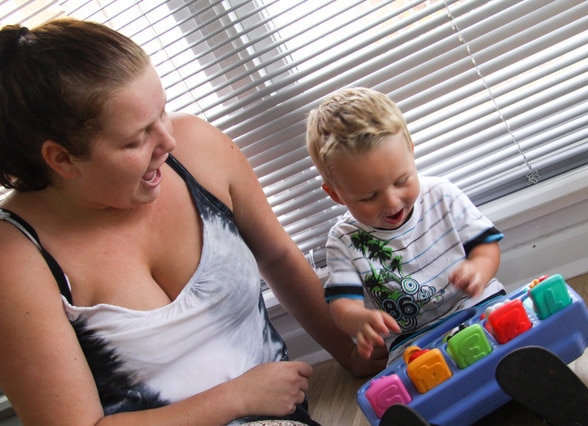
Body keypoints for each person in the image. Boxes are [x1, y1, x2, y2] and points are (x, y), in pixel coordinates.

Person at [0, 19, 387, 426]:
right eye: (136, 139)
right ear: (61, 159)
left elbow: (276, 258)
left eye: (162, 112)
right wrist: (236, 397)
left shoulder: (196, 151)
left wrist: (348, 353)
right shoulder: (16, 261)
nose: (168, 142)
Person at [305, 87, 505, 363]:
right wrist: (359, 319)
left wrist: (477, 270)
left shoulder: (442, 194)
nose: (391, 201)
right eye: (368, 196)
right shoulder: (344, 240)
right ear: (336, 194)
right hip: (413, 342)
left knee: (510, 335)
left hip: (476, 306)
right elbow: (342, 304)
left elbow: (486, 247)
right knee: (410, 389)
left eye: (401, 181)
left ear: (411, 153)